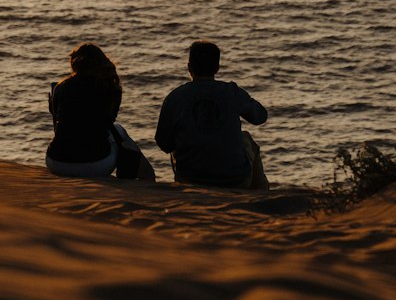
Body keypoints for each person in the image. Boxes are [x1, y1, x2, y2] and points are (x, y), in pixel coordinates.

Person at [154, 40, 269, 189]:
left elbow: (164, 143)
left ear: (189, 67)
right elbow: (260, 116)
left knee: (178, 140)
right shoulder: (231, 91)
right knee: (246, 138)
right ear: (217, 68)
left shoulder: (175, 97)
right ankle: (261, 196)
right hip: (235, 179)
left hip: (189, 180)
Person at [45, 42, 154, 181]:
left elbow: (58, 124)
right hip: (97, 164)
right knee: (119, 131)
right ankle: (133, 181)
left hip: (56, 162)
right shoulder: (109, 86)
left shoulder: (61, 87)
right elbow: (109, 121)